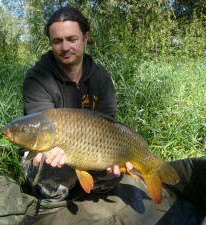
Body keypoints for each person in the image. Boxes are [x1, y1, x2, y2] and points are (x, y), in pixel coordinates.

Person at [22, 6, 133, 201]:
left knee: (114, 173)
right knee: (52, 170)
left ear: (85, 38)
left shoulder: (101, 78)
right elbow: (39, 133)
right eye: (57, 41)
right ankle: (55, 199)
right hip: (51, 153)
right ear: (51, 43)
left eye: (72, 39)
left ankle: (89, 189)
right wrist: (47, 153)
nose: (65, 47)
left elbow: (109, 126)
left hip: (91, 150)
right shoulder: (38, 78)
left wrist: (116, 157)